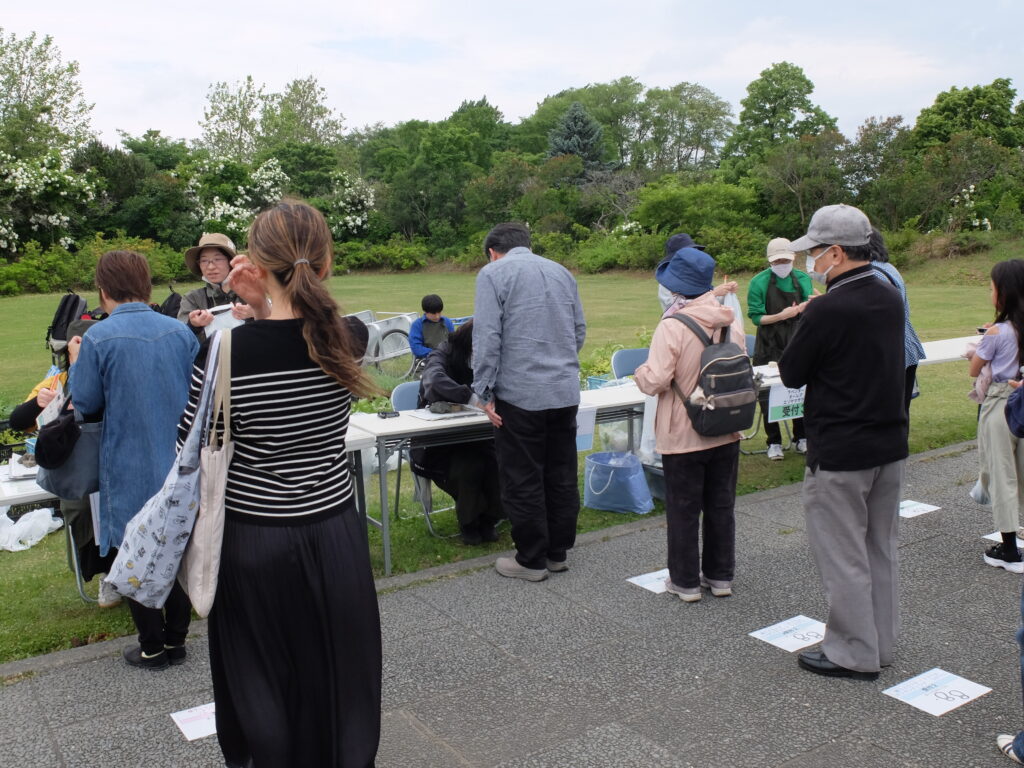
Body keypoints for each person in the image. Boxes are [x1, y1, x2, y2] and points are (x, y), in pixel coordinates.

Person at [181, 200, 381, 767]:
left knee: (259, 678)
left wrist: (254, 301)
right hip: (335, 530)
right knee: (341, 674)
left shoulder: (224, 351)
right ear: (325, 262)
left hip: (253, 537)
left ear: (256, 262)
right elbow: (310, 320)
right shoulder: (348, 338)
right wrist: (268, 298)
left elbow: (189, 449)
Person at [778, 203, 908, 681]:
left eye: (814, 252)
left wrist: (806, 318)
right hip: (888, 440)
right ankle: (880, 643)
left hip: (841, 449)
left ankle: (853, 651)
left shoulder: (829, 307)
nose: (810, 262)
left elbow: (792, 371)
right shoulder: (888, 293)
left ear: (835, 253)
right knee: (880, 547)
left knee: (844, 554)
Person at [67, 251, 199, 668]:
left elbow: (85, 402)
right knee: (175, 543)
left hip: (128, 459)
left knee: (135, 548)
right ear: (147, 285)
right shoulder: (178, 333)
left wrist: (74, 364)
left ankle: (152, 645)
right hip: (180, 458)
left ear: (103, 290)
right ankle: (176, 639)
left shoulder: (98, 338)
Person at [473, 222, 586, 581]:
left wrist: (484, 391)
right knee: (561, 472)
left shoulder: (492, 274)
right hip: (563, 390)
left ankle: (531, 558)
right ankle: (557, 551)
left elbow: (488, 336)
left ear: (493, 251)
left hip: (520, 393)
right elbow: (578, 329)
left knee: (523, 476)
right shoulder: (562, 272)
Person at [635, 246, 745, 602]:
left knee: (683, 509)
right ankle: (720, 577)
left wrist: (639, 374)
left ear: (676, 289)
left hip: (684, 431)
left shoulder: (672, 326)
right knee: (721, 505)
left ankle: (684, 582)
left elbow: (656, 380)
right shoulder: (730, 320)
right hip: (727, 425)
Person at [12, 319, 120, 607]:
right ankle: (108, 577)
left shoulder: (116, 377)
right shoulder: (57, 383)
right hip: (78, 474)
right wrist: (40, 404)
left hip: (116, 468)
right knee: (83, 506)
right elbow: (17, 421)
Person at [412, 320, 504, 544]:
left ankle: (490, 518)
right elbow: (433, 381)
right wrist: (472, 399)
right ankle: (469, 523)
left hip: (478, 437)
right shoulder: (442, 354)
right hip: (440, 444)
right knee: (469, 468)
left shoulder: (492, 358)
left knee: (498, 463)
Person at [968, 260, 1024, 573]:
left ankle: (1010, 551)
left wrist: (979, 346)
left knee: (1002, 476)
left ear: (1003, 294)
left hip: (1001, 403)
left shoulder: (997, 331)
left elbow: (974, 369)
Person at [747, 237, 813, 460]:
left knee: (799, 390)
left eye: (786, 259)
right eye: (778, 261)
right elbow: (757, 317)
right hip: (768, 342)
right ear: (770, 261)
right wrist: (781, 315)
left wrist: (805, 308)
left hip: (796, 340)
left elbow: (810, 307)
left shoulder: (803, 279)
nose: (782, 264)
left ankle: (802, 436)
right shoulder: (759, 282)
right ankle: (773, 441)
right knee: (767, 393)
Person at [868, 228, 926, 418]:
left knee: (889, 414)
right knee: (901, 411)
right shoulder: (888, 267)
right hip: (906, 345)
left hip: (890, 352)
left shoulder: (872, 275)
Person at [177, 233, 253, 339]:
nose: (211, 267)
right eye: (204, 261)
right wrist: (193, 325)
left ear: (231, 262)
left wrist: (256, 313)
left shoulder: (251, 294)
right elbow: (180, 337)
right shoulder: (192, 298)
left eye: (217, 259)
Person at [409, 293, 455, 359]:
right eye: (433, 313)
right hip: (427, 360)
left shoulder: (447, 322)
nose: (437, 316)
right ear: (425, 311)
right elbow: (416, 349)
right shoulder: (417, 325)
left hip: (447, 359)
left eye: (439, 312)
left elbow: (453, 343)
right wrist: (436, 352)